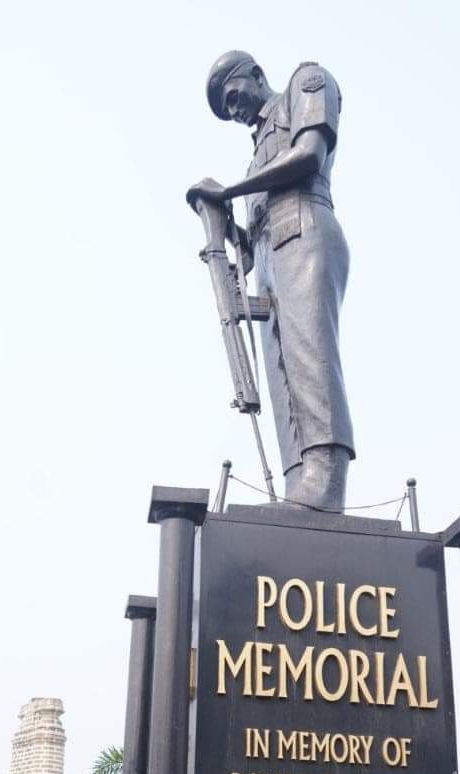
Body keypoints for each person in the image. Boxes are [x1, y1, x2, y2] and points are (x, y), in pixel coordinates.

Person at [187, 51, 354, 511]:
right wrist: (224, 225)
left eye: (235, 96)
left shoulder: (308, 82)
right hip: (269, 256)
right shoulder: (256, 150)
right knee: (281, 377)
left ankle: (326, 484)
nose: (235, 110)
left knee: (310, 358)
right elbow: (249, 240)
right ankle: (300, 487)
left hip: (306, 232)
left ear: (256, 75)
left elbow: (308, 155)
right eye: (226, 108)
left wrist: (229, 192)